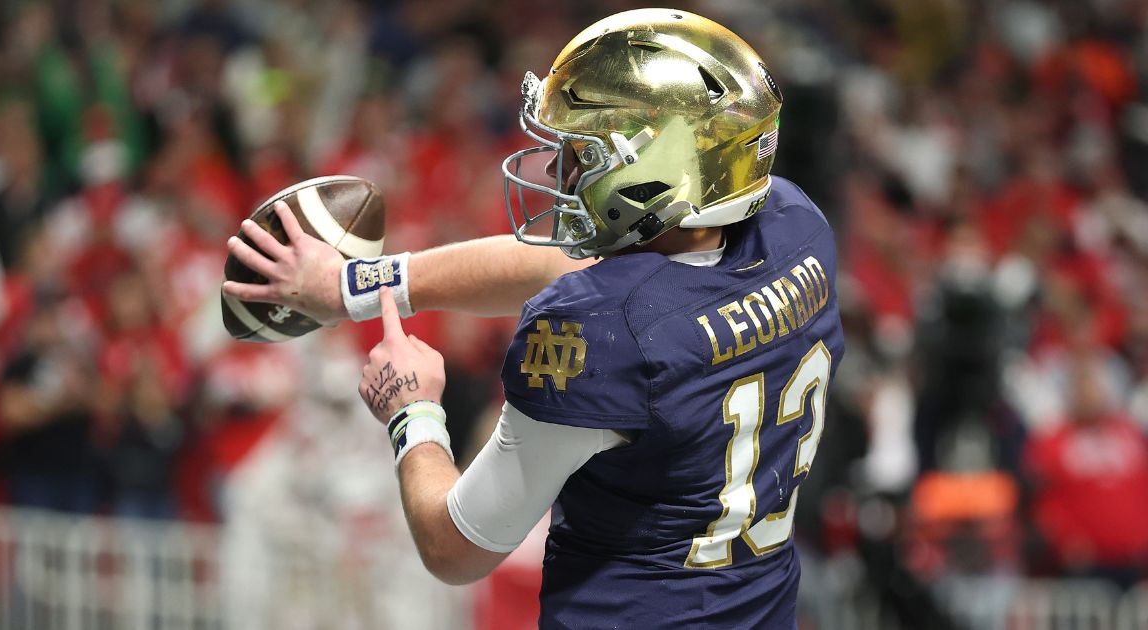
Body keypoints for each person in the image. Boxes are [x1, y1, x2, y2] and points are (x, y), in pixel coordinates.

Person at [222, 9, 843, 628]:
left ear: (657, 169)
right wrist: (356, 285)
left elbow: (455, 546)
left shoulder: (601, 334)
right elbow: (579, 270)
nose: (560, 171)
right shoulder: (795, 229)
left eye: (582, 152)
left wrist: (412, 412)